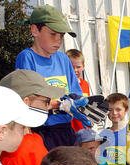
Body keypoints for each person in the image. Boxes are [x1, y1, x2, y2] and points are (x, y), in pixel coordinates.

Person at [0, 69, 66, 165]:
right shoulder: (16, 149)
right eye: (45, 102)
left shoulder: (33, 138)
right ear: (26, 102)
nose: (49, 107)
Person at [15, 4, 85, 150]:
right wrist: (62, 105)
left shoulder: (63, 59)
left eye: (61, 36)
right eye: (53, 34)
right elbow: (30, 102)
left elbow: (75, 93)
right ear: (34, 30)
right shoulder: (27, 57)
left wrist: (83, 105)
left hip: (65, 128)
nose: (58, 40)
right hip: (41, 130)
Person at [66, 48, 91, 132]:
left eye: (78, 67)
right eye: (71, 67)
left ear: (83, 67)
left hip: (83, 127)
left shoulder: (85, 84)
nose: (75, 70)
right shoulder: (64, 85)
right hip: (70, 128)